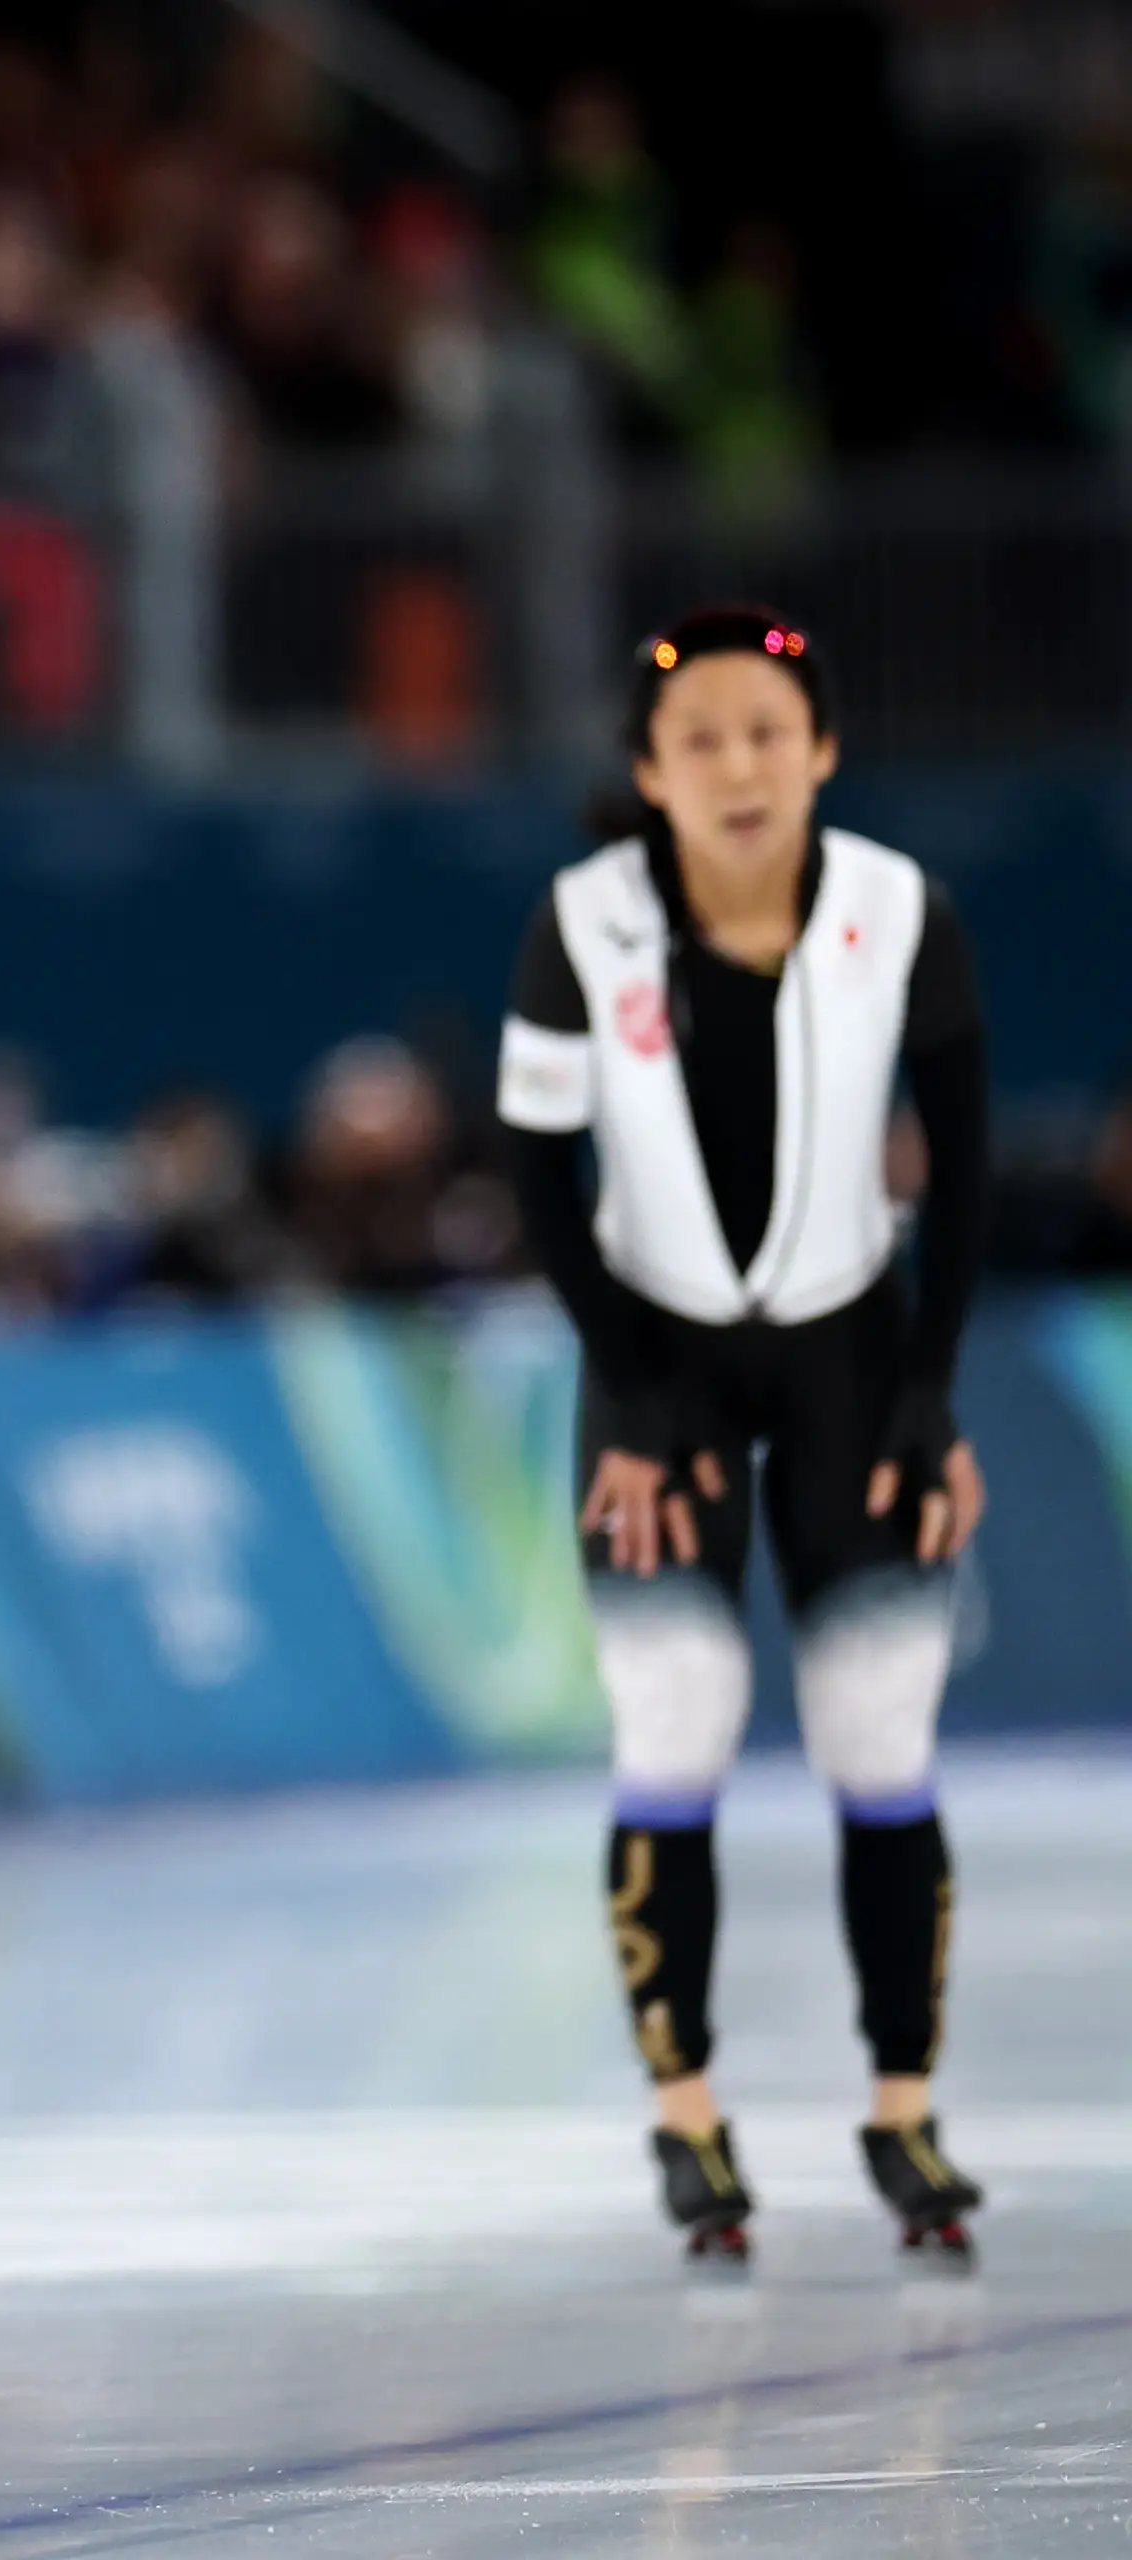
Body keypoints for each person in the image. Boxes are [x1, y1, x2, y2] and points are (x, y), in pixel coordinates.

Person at [493, 610, 992, 2264]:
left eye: (768, 730)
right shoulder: (584, 924)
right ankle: (686, 2119)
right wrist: (628, 1397)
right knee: (679, 1713)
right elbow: (534, 1181)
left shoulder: (900, 908)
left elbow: (968, 1169)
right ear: (649, 776)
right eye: (699, 738)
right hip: (661, 1361)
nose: (739, 765)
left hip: (856, 1347)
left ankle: (904, 2109)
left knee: (877, 1734)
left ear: (824, 753)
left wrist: (929, 1400)